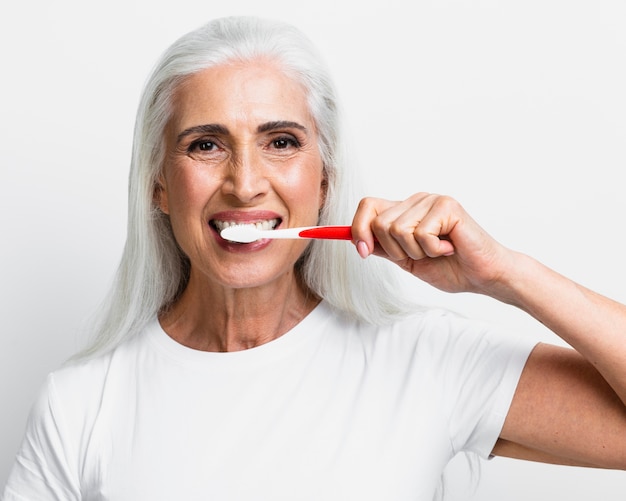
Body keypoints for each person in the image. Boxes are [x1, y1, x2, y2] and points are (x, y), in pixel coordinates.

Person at [3, 15, 626, 501]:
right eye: (206, 145)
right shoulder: (80, 404)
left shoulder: (420, 359)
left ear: (324, 179)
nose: (245, 183)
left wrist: (506, 275)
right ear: (158, 185)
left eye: (280, 142)